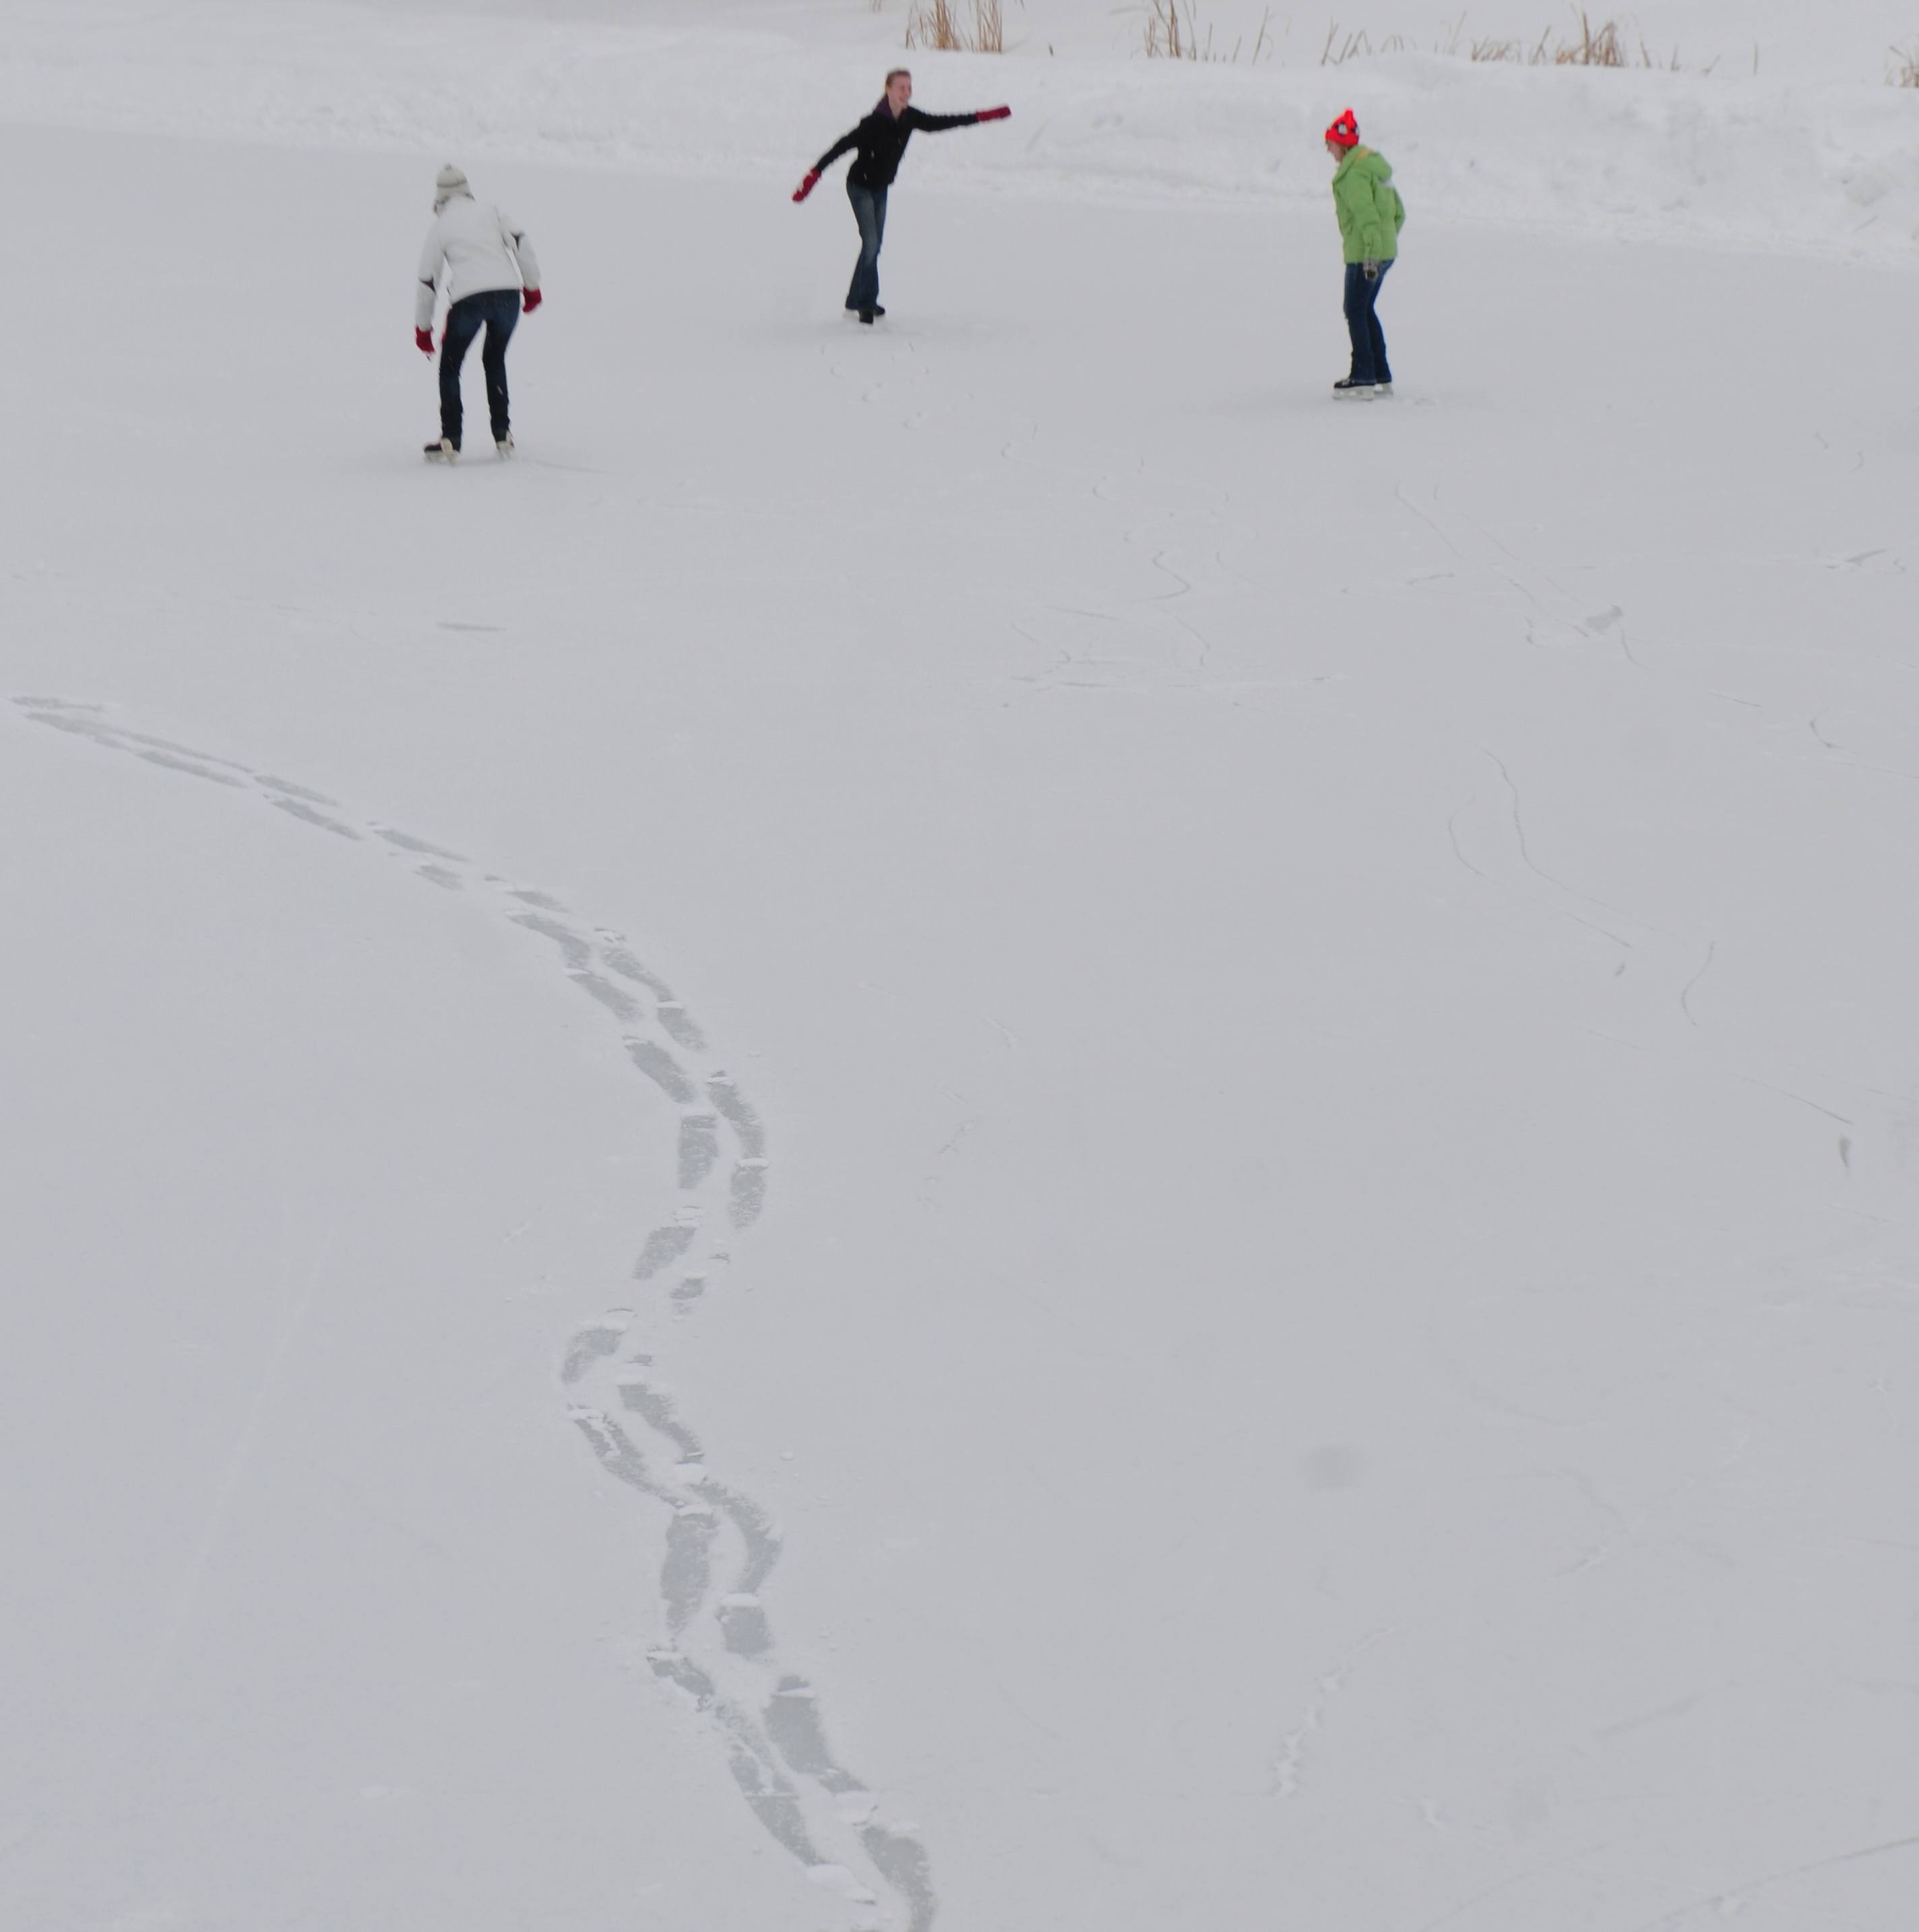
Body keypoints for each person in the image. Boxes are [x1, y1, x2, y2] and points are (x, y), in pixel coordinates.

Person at [792, 71, 1010, 323]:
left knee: (873, 246)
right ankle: (867, 303)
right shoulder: (872, 123)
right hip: (859, 187)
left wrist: (984, 116)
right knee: (871, 243)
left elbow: (943, 122)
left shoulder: (910, 118)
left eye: (909, 88)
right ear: (888, 90)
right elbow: (840, 147)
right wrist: (813, 176)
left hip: (881, 188)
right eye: (901, 88)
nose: (906, 93)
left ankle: (856, 299)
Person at [414, 165, 542, 460]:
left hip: (468, 300)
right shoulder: (490, 210)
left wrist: (424, 329)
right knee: (494, 359)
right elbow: (521, 242)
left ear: (440, 199)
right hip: (508, 295)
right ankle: (502, 434)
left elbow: (428, 281)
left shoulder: (441, 226)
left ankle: (451, 438)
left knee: (451, 366)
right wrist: (531, 287)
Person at [1323, 111, 1405, 398]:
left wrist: (1370, 254)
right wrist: (1386, 244)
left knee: (1355, 310)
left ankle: (1363, 375)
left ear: (1343, 145)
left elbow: (1366, 215)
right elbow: (1400, 212)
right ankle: (1379, 372)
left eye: (1330, 144)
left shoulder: (1354, 174)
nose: (1329, 151)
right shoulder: (1374, 166)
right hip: (1384, 251)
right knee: (1364, 309)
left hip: (1365, 255)